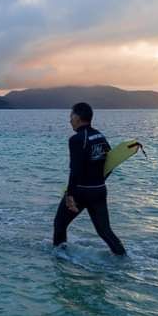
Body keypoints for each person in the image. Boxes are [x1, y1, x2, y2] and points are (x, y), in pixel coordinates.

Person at [53, 102, 126, 255]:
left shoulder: (76, 139)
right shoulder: (100, 136)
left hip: (81, 192)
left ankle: (60, 259)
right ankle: (124, 258)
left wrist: (70, 195)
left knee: (60, 224)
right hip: (99, 190)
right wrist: (99, 181)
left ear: (78, 117)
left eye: (71, 116)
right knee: (105, 231)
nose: (70, 120)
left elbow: (75, 170)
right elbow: (110, 163)